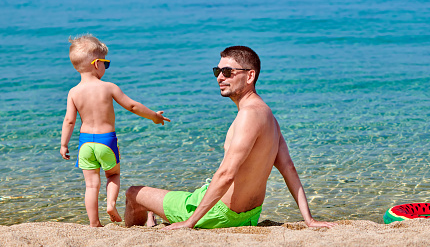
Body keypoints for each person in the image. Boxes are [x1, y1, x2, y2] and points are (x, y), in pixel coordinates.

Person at [125, 46, 336, 229]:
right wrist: (309, 220)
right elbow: (288, 168)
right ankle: (154, 219)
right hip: (250, 216)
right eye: (217, 71)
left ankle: (141, 231)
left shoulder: (248, 115)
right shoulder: (268, 116)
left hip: (219, 214)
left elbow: (227, 173)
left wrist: (190, 222)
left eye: (227, 71)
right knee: (178, 196)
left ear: (250, 76)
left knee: (134, 194)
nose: (219, 77)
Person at [60, 34, 171, 227]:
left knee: (91, 185)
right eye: (106, 63)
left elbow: (69, 121)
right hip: (106, 141)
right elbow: (133, 106)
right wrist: (154, 116)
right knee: (112, 175)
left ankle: (94, 223)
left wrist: (63, 144)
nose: (106, 67)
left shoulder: (73, 92)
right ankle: (110, 204)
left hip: (85, 143)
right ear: (96, 64)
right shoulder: (109, 87)